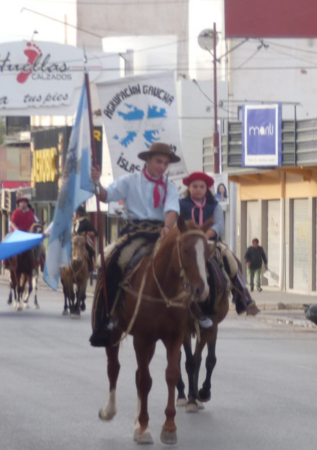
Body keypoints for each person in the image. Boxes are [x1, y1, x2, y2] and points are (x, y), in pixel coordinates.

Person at [87, 142, 181, 347]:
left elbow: (171, 210)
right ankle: (107, 318)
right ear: (147, 160)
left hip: (161, 233)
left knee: (185, 262)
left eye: (166, 163)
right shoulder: (130, 181)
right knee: (113, 262)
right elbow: (105, 196)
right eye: (159, 162)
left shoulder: (170, 187)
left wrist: (167, 227)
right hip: (136, 233)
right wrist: (96, 181)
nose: (162, 167)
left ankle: (191, 313)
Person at [178, 171, 258, 324]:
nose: (198, 189)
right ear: (189, 188)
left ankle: (243, 296)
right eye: (194, 186)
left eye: (201, 186)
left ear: (206, 188)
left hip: (210, 241)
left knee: (231, 259)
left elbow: (219, 225)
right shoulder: (180, 204)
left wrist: (204, 236)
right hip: (186, 243)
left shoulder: (214, 205)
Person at [73, 206, 97, 270]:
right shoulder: (72, 221)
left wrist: (86, 233)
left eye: (75, 212)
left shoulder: (86, 222)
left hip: (82, 241)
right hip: (72, 240)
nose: (73, 213)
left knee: (91, 251)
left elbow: (95, 232)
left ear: (78, 213)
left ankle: (91, 266)